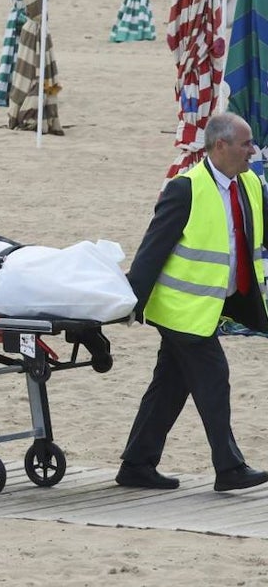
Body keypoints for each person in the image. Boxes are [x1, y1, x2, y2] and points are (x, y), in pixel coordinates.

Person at [117, 112, 268, 492]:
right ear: (221, 146)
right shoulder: (185, 189)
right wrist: (130, 304)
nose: (253, 150)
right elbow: (152, 251)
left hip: (211, 307)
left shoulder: (249, 184)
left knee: (170, 384)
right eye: (246, 143)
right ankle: (230, 467)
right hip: (179, 309)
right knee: (213, 377)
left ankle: (136, 464)